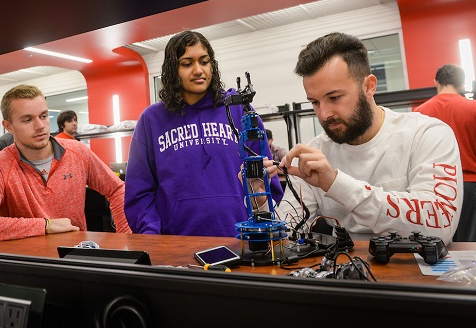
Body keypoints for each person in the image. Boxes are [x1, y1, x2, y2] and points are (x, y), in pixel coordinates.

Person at [277, 32, 462, 245]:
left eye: (334, 97)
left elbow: (440, 228)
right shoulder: (315, 154)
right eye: (315, 102)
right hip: (344, 270)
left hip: (415, 271)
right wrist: (259, 202)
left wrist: (336, 184)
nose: (324, 113)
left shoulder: (427, 134)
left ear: (369, 86)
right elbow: (288, 233)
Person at [125, 30, 283, 237]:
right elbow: (139, 192)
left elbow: (265, 178)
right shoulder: (151, 119)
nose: (198, 70)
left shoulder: (239, 110)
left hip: (241, 238)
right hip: (175, 244)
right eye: (187, 63)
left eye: (204, 61)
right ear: (173, 69)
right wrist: (151, 236)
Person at [0, 84, 130, 244]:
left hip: (76, 258)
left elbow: (116, 189)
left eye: (44, 116)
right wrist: (46, 226)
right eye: (27, 120)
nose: (40, 126)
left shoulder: (78, 152)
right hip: (30, 265)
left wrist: (126, 239)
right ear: (8, 126)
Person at [415, 64, 476, 241]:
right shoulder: (473, 109)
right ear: (462, 84)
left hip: (434, 187)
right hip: (470, 186)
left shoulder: (420, 113)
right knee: (469, 246)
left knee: (438, 244)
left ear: (436, 82)